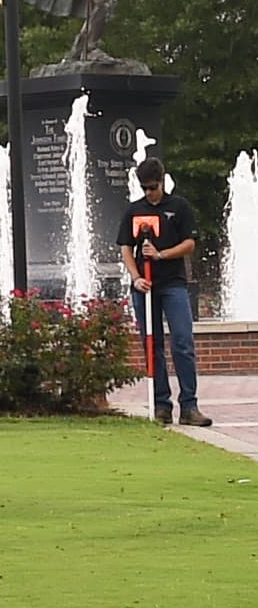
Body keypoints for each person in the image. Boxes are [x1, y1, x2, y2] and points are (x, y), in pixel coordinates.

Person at [120, 157, 209, 428]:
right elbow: (125, 247)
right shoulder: (134, 211)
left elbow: (190, 243)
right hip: (144, 288)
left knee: (182, 342)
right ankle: (161, 404)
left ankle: (189, 406)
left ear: (162, 181)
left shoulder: (178, 207)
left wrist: (161, 255)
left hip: (173, 284)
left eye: (154, 187)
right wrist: (136, 277)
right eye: (145, 188)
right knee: (152, 344)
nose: (150, 193)